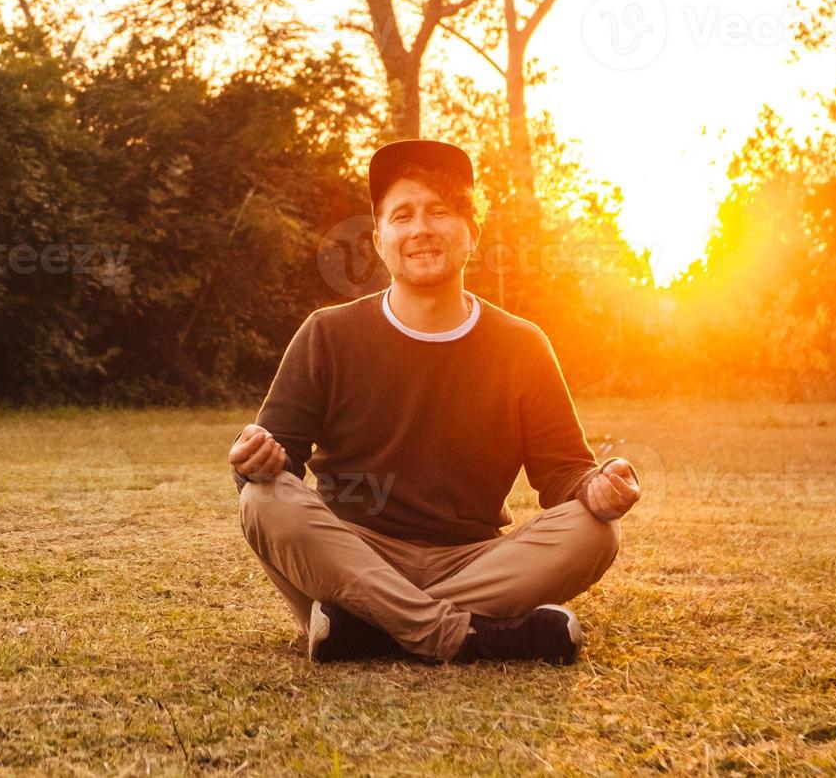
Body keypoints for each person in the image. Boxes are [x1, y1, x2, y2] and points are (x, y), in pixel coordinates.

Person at [228, 138, 642, 665]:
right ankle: (473, 636)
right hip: (354, 556)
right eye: (402, 216)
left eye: (439, 211)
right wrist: (254, 456)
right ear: (379, 240)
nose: (420, 228)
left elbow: (564, 475)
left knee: (594, 532)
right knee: (262, 501)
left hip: (473, 561)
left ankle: (371, 632)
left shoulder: (521, 344)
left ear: (471, 231)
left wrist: (599, 485)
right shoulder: (328, 334)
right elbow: (275, 461)